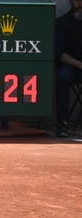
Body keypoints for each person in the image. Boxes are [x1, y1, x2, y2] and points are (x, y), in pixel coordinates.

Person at [54, 0, 82, 137]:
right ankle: (62, 124)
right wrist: (79, 64)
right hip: (72, 66)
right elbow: (60, 54)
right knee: (62, 77)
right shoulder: (62, 23)